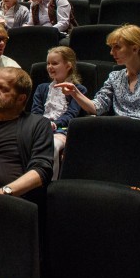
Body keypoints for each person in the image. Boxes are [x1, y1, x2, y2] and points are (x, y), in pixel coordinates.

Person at [56, 25, 140, 120]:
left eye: (117, 47)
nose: (111, 52)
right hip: (119, 131)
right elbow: (97, 107)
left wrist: (137, 126)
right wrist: (75, 93)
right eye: (111, 48)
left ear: (135, 49)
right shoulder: (115, 77)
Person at [31, 46, 85, 179]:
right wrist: (42, 124)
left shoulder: (78, 90)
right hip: (41, 126)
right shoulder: (42, 88)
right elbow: (36, 111)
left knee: (53, 146)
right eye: (48, 63)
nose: (50, 67)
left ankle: (51, 182)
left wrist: (55, 124)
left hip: (63, 129)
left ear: (68, 66)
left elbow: (71, 114)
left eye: (54, 63)